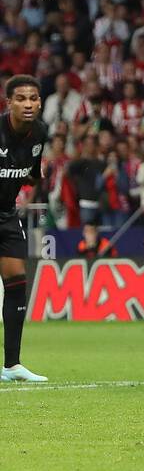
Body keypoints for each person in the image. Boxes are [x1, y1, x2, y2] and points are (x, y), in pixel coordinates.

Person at [0, 75, 48, 382]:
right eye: (21, 98)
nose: (28, 104)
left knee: (17, 281)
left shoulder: (40, 132)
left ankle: (12, 365)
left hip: (6, 215)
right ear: (8, 103)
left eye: (32, 98)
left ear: (40, 102)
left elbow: (32, 174)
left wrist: (35, 179)